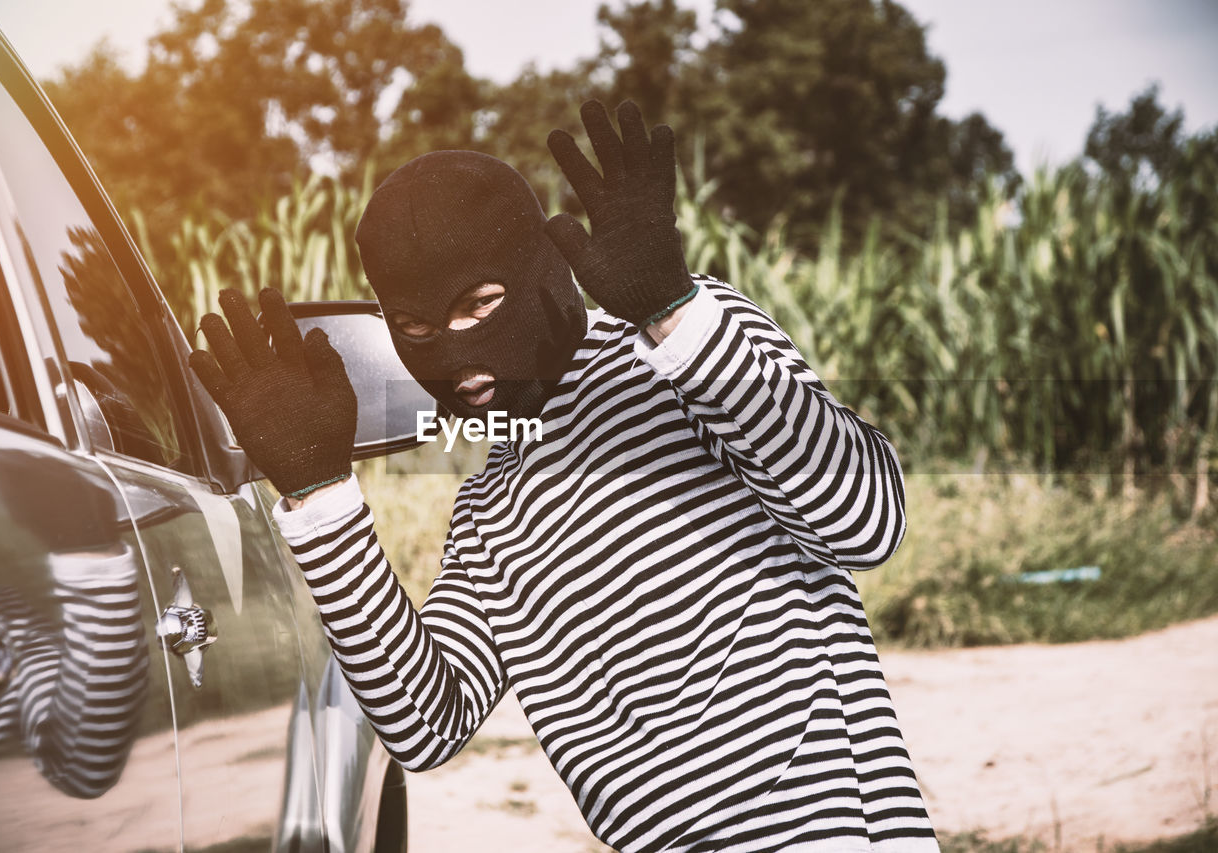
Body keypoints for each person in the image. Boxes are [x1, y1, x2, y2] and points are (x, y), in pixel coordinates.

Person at [190, 100, 938, 852]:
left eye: (479, 304)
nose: (456, 354)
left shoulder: (684, 355)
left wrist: (676, 315)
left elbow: (868, 520)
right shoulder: (489, 509)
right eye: (415, 330)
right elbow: (425, 724)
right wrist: (322, 497)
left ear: (542, 265)